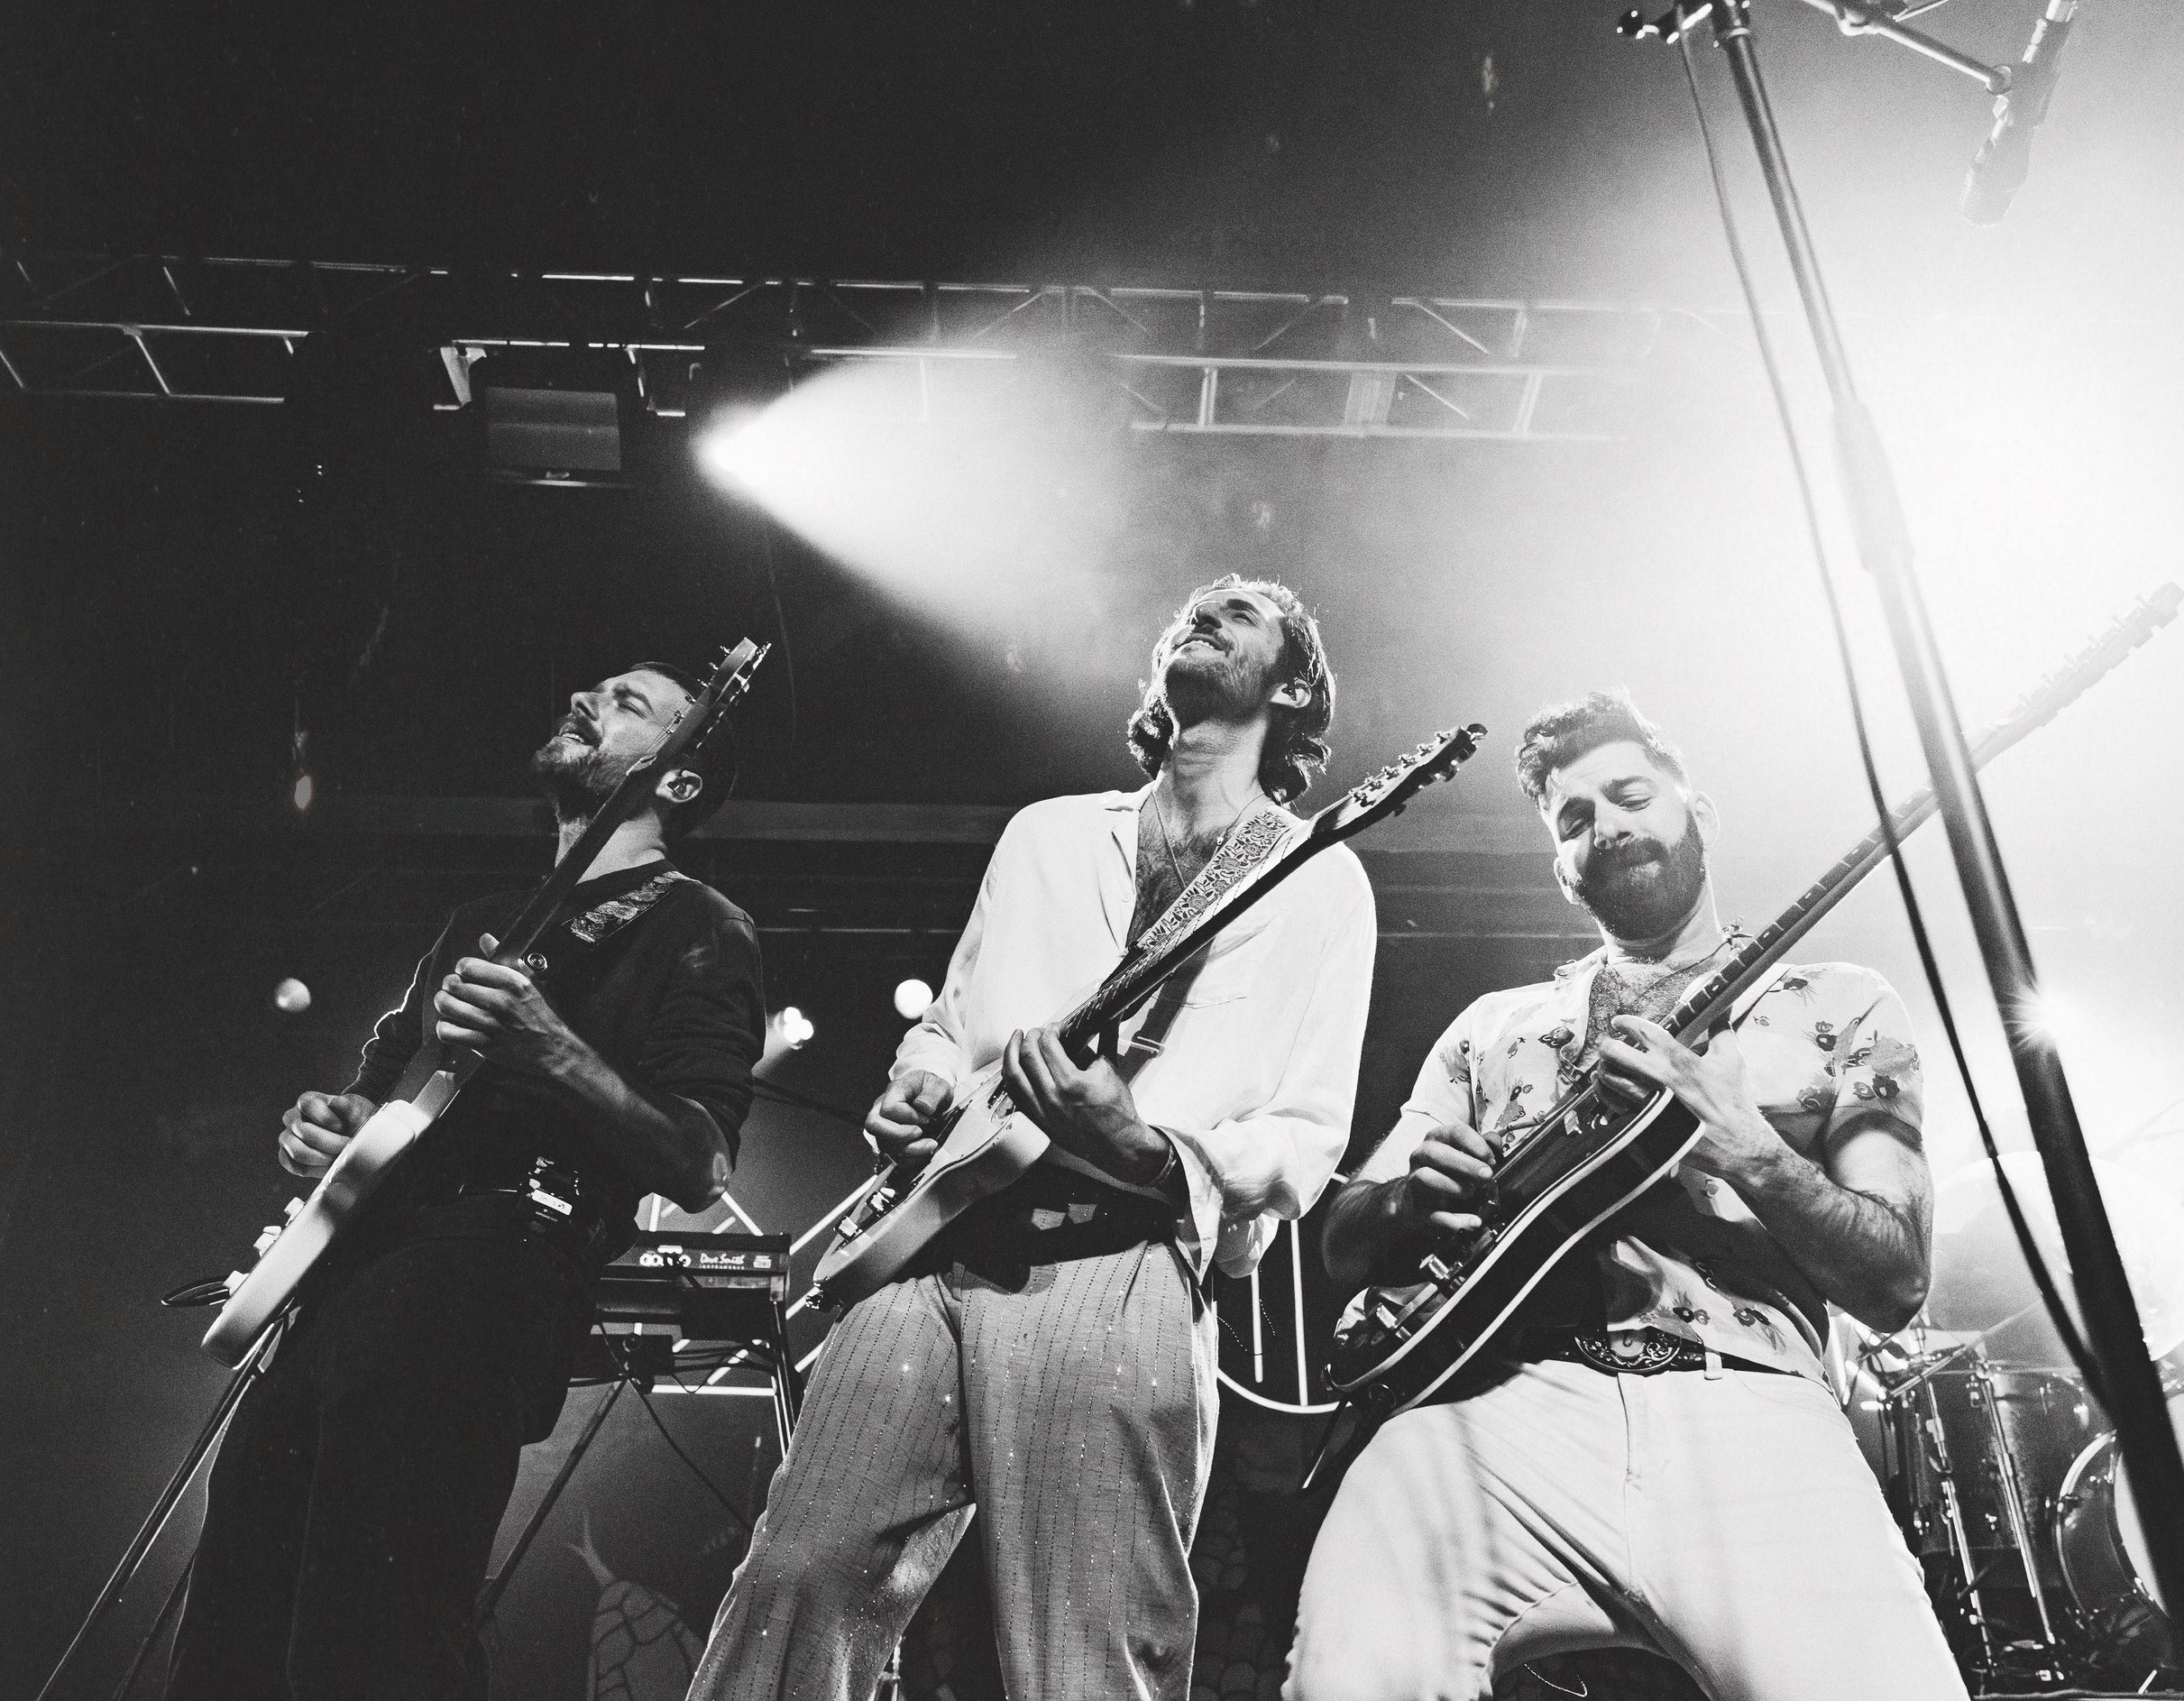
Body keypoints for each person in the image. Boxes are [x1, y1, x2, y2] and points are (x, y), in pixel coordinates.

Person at [687, 576, 1377, 1701]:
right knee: (796, 1574)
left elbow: (1305, 1130)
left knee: (1083, 1647)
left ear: (1294, 685)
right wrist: (912, 1086)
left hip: (1119, 1256)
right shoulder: (1048, 832)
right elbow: (952, 1026)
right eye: (1191, 609)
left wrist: (1152, 1151)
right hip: (925, 1250)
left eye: (1241, 612)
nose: (1200, 614)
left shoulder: (1318, 877)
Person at [1289, 691, 1967, 1701]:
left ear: (1698, 810)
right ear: (1561, 869)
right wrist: (1401, 1207)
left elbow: (1895, 1275)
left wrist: (1743, 1142)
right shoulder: (1492, 1027)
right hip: (1498, 1401)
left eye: (1631, 793)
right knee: (1349, 1676)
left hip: (1746, 1396)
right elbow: (1340, 1240)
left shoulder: (1836, 1004)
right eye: (1572, 818)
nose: (1605, 823)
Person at [168, 663, 765, 1701]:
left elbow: (700, 1157)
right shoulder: (484, 915)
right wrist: (331, 1126)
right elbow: (383, 1093)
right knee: (238, 1608)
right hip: (357, 1267)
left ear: (678, 779)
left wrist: (551, 1046)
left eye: (628, 703)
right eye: (593, 686)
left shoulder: (700, 924)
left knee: (379, 1623)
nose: (585, 695)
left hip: (492, 1265)